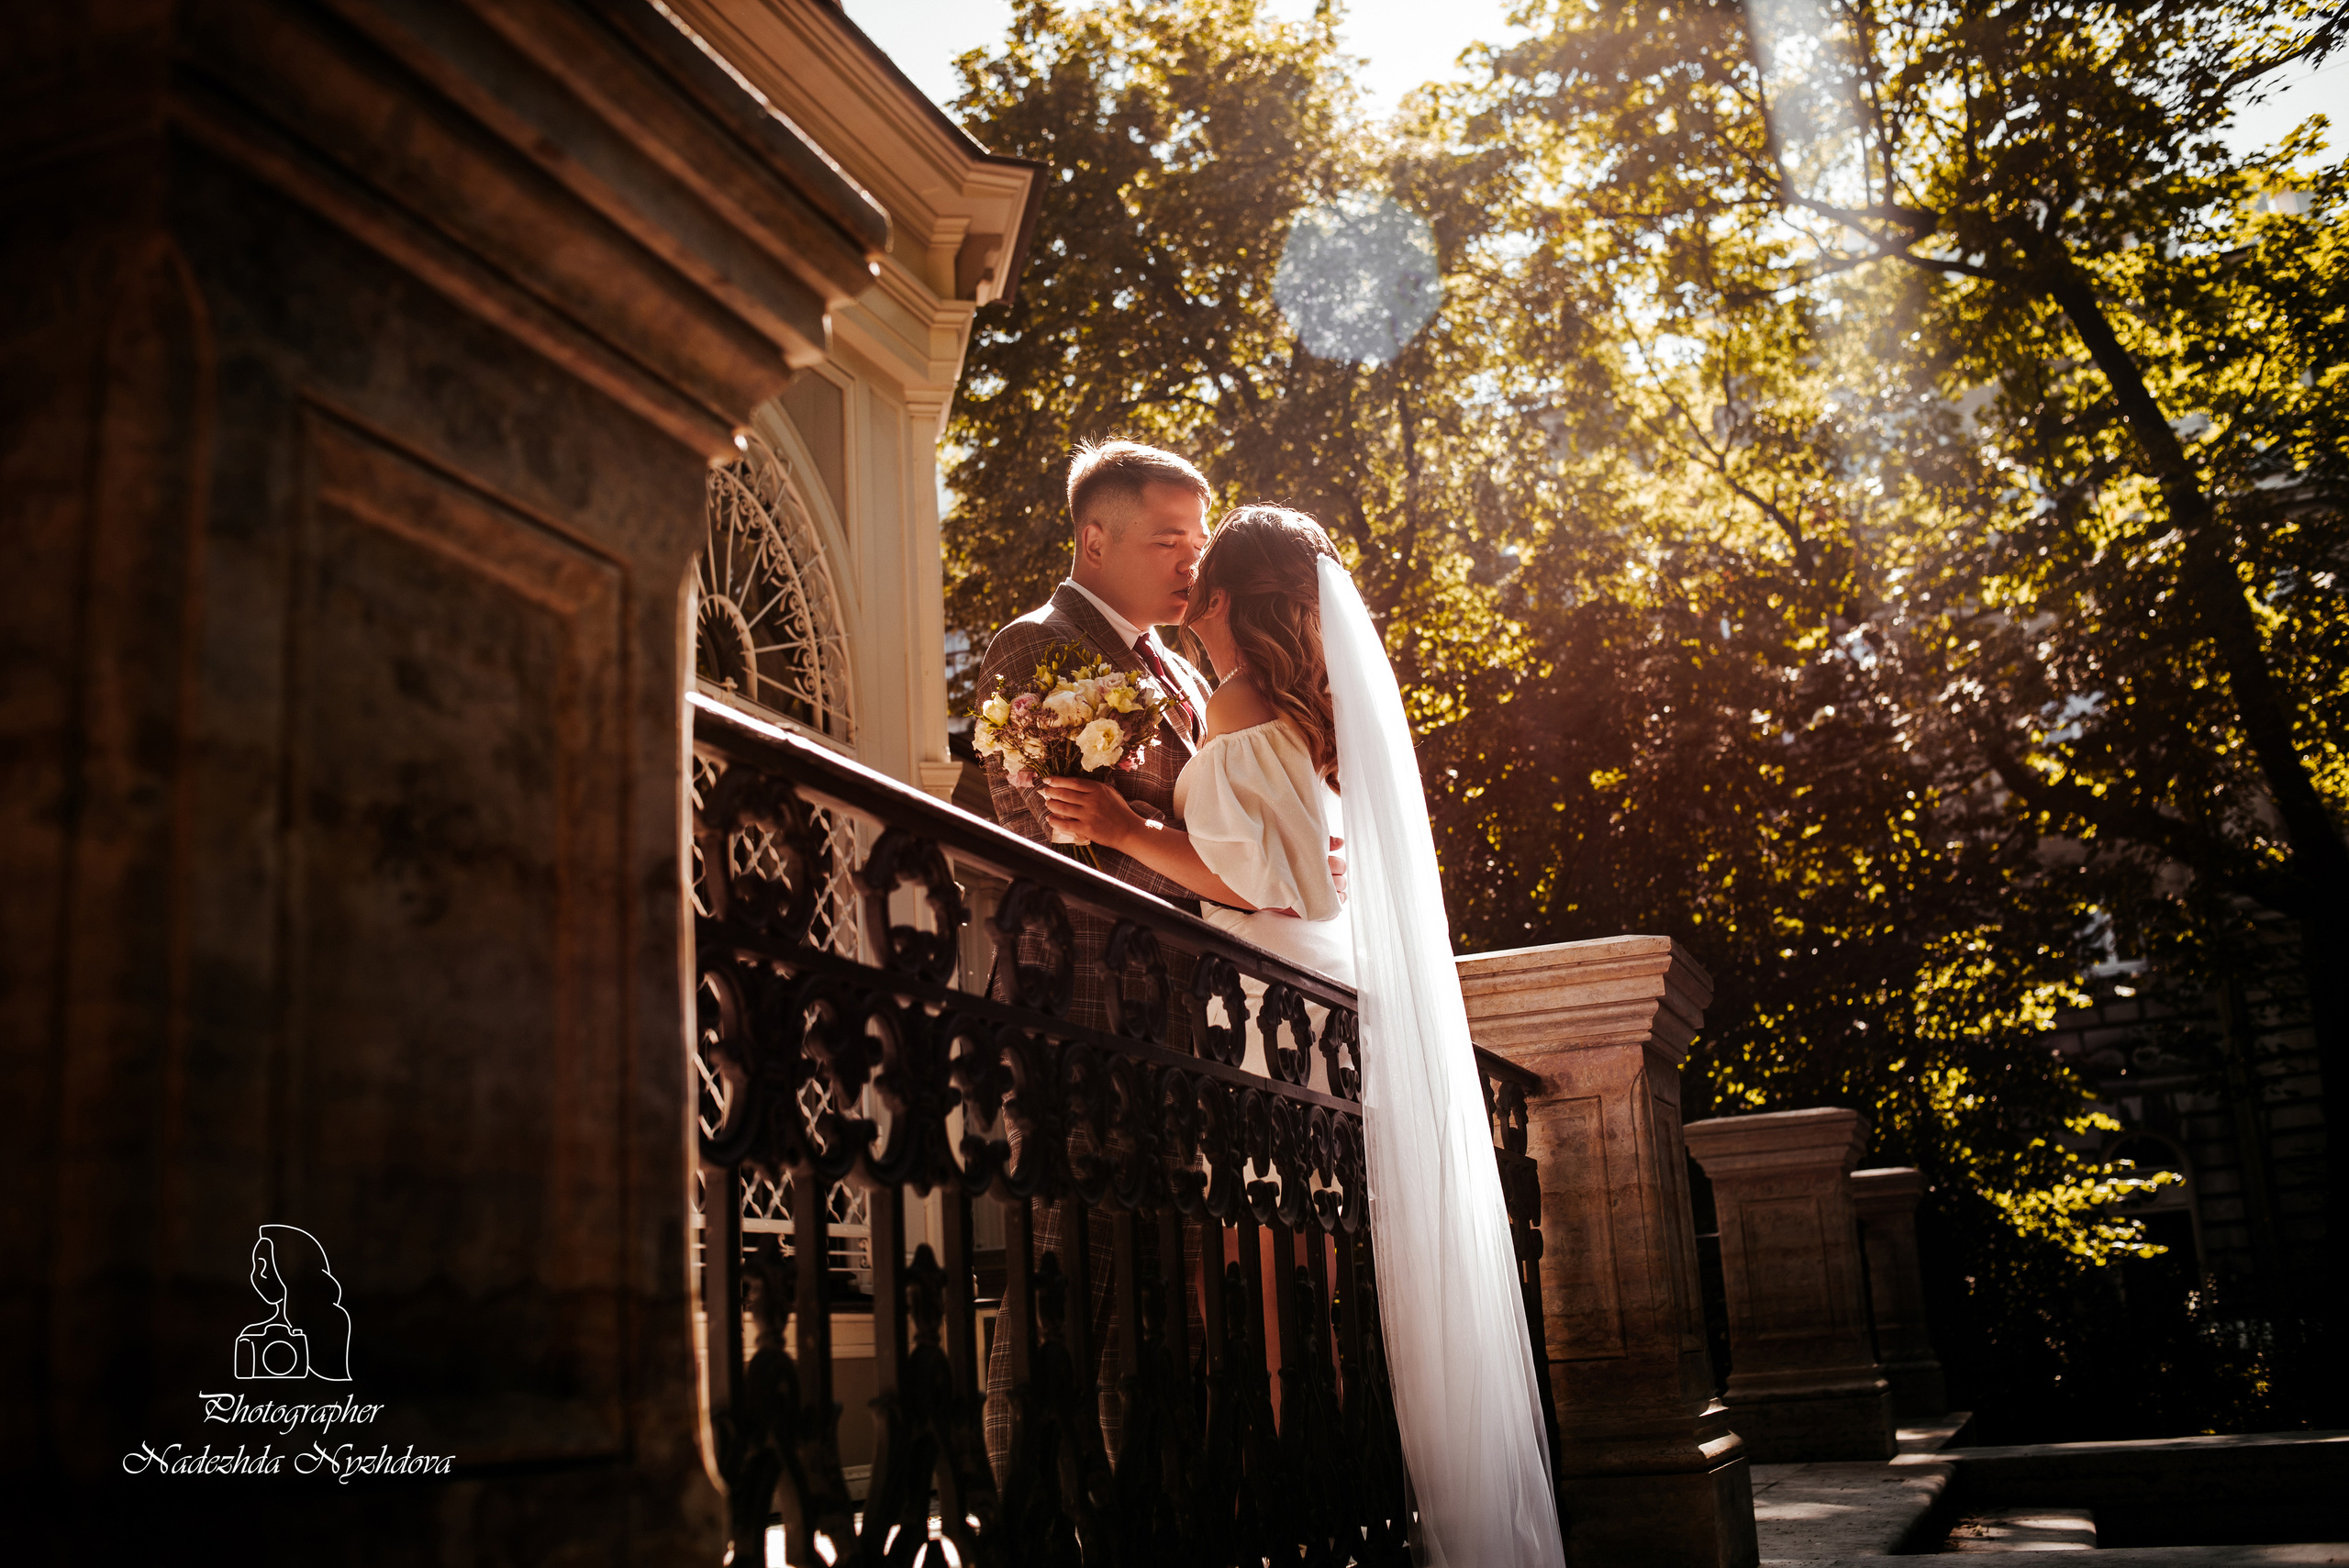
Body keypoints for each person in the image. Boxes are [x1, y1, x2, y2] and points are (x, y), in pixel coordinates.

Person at [1041, 506, 1566, 1568]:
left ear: (1229, 599)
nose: (1185, 583)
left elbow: (1262, 885)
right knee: (1322, 1265)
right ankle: (1355, 1497)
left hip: (1270, 1018)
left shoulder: (1238, 704)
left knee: (1265, 1268)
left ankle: (1297, 1503)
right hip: (1329, 1010)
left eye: (1201, 574)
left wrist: (1124, 830)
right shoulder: (1308, 711)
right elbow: (1310, 875)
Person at [972, 439, 1217, 1479]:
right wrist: (1209, 864)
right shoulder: (1036, 647)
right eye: (1168, 540)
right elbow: (1059, 833)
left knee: (1154, 1300)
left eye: (1199, 541)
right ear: (1094, 537)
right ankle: (1022, 1519)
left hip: (1181, 1023)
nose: (1189, 562)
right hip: (1076, 1013)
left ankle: (1135, 1515)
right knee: (1061, 1291)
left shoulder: (1185, 672)